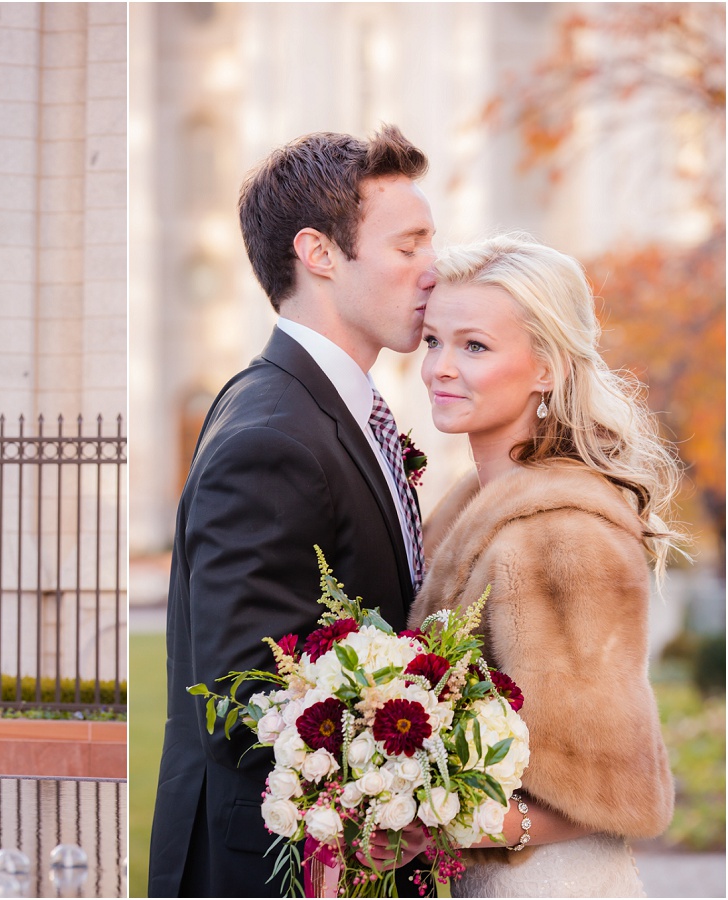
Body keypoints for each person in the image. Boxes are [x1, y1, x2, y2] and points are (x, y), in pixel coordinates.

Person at [149, 126, 437, 897]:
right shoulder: (274, 433)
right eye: (408, 245)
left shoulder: (320, 407)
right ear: (319, 253)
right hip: (280, 871)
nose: (432, 271)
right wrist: (408, 764)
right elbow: (246, 689)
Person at [408, 234, 679, 896]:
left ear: (546, 368)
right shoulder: (474, 509)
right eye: (434, 342)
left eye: (474, 345)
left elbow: (609, 784)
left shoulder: (563, 533)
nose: (441, 367)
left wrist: (427, 820)